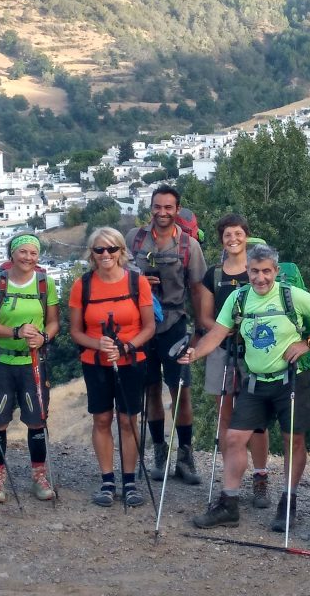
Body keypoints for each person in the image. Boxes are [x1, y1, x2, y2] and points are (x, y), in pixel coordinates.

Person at [180, 244, 310, 531]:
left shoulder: (291, 295)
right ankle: (229, 505)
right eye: (254, 271)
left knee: (293, 441)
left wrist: (307, 343)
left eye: (266, 271)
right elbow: (217, 333)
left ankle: (288, 503)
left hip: (291, 378)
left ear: (276, 271)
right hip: (255, 380)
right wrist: (194, 354)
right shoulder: (239, 298)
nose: (260, 277)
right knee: (234, 438)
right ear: (248, 271)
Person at [126, 185, 208, 485]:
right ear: (150, 208)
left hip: (174, 322)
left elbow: (198, 289)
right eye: (157, 207)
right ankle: (159, 453)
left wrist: (200, 330)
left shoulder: (189, 246)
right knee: (150, 390)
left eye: (168, 207)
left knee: (181, 391)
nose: (162, 212)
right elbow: (119, 275)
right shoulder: (134, 239)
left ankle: (185, 456)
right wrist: (138, 281)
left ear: (177, 209)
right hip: (141, 323)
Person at [69, 227, 156, 508]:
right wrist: (98, 344)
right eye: (99, 249)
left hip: (131, 360)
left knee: (128, 420)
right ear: (92, 254)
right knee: (102, 419)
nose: (105, 254)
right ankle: (107, 480)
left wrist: (127, 347)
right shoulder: (82, 285)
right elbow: (76, 332)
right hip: (96, 363)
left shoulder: (136, 282)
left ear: (121, 251)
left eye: (111, 249)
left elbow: (149, 326)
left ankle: (129, 481)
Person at [0, 232, 60, 503]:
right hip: (1, 361)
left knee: (37, 419)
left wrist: (44, 337)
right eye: (23, 252)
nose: (28, 257)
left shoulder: (45, 284)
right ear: (12, 254)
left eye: (33, 253)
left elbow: (54, 322)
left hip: (33, 361)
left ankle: (39, 476)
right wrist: (15, 332)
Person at [196, 213, 271, 508]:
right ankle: (232, 482)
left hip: (256, 349)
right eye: (227, 234)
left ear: (247, 236)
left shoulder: (258, 270)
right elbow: (204, 315)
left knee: (257, 418)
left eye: (238, 233)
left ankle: (261, 477)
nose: (233, 239)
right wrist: (223, 329)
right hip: (222, 348)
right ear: (221, 240)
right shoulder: (213, 274)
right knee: (225, 416)